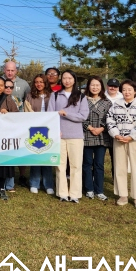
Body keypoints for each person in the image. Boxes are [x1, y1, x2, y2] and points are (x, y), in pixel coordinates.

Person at [106, 80, 136, 209]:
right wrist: (115, 134)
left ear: (135, 91)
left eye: (129, 89)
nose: (127, 92)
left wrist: (132, 136)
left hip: (135, 141)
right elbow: (110, 120)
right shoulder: (116, 105)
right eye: (124, 89)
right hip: (119, 139)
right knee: (120, 168)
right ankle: (122, 195)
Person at [47, 69, 89, 204]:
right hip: (59, 135)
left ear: (74, 80)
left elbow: (83, 116)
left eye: (70, 78)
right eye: (64, 78)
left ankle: (75, 194)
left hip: (76, 135)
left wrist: (66, 114)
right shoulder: (55, 95)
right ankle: (62, 193)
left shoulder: (81, 96)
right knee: (60, 165)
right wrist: (55, 129)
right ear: (61, 79)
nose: (67, 80)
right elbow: (51, 114)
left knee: (76, 165)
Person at [24, 74, 55, 195]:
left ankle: (48, 184)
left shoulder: (52, 96)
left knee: (47, 157)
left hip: (49, 129)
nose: (39, 84)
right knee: (36, 156)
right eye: (36, 82)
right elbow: (27, 111)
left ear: (45, 83)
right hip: (34, 128)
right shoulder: (30, 96)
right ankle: (34, 183)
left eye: (41, 82)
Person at [82, 76, 112, 201]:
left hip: (101, 137)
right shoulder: (82, 100)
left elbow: (111, 118)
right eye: (92, 85)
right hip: (86, 135)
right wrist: (89, 127)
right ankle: (89, 189)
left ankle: (99, 190)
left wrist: (102, 128)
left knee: (99, 164)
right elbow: (80, 117)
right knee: (87, 164)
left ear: (101, 87)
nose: (95, 87)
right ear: (88, 86)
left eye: (97, 85)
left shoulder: (107, 102)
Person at [3, 61, 31, 188]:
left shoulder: (24, 84)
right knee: (6, 148)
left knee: (20, 148)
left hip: (19, 122)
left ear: (16, 71)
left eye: (12, 70)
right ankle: (6, 176)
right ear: (4, 70)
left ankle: (22, 175)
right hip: (2, 122)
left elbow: (28, 100)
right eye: (8, 70)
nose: (10, 72)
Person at [104, 78, 123, 178]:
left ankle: (115, 177)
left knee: (116, 157)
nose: (112, 88)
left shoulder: (123, 97)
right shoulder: (101, 96)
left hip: (117, 131)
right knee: (99, 158)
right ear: (107, 86)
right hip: (102, 131)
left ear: (118, 88)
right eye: (111, 85)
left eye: (115, 86)